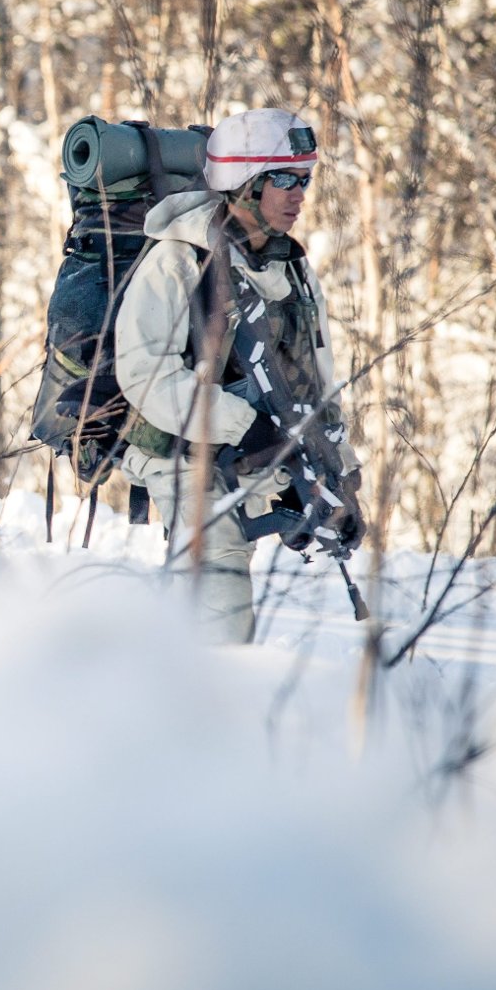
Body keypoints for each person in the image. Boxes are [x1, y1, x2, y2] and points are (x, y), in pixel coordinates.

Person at [113, 107, 362, 642]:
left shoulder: (290, 267)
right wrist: (243, 426)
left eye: (305, 179)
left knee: (209, 605)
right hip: (177, 451)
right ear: (244, 183)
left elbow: (314, 380)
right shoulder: (178, 259)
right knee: (220, 601)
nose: (299, 194)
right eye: (284, 179)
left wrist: (339, 475)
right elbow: (144, 372)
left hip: (249, 453)